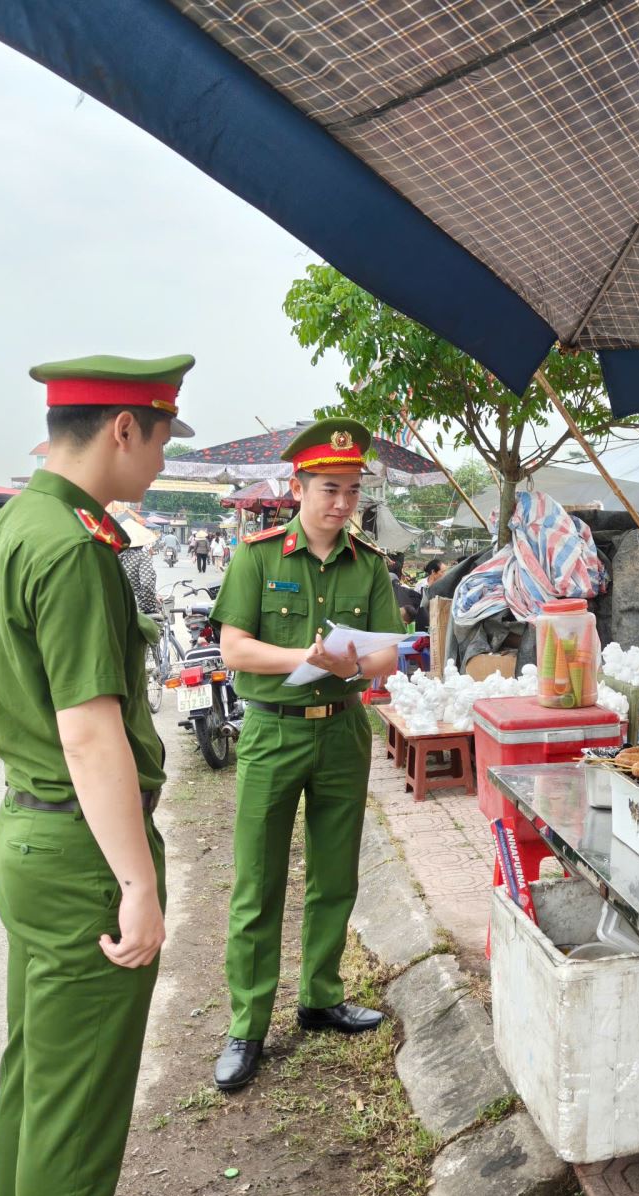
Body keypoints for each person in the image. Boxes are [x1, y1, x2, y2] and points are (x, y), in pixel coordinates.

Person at [0, 352, 194, 1196]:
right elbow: (90, 733)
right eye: (164, 435)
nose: (164, 459)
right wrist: (137, 883)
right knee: (77, 1117)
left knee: (38, 1081)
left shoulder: (13, 528)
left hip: (30, 835)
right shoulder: (70, 549)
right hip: (79, 853)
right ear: (124, 427)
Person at [209, 418, 403, 1092]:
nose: (342, 503)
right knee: (257, 881)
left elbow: (387, 653)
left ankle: (321, 996)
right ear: (297, 487)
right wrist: (307, 657)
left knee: (334, 872)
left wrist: (361, 659)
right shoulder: (257, 557)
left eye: (352, 491)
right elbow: (234, 648)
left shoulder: (370, 563)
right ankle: (247, 1024)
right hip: (273, 730)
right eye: (329, 489)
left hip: (343, 730)